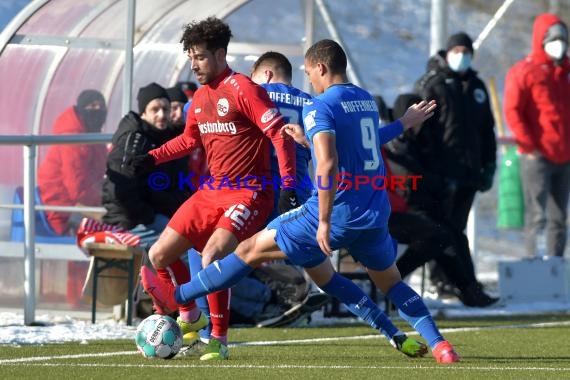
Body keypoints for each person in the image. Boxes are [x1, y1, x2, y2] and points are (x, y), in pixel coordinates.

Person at [166, 39, 460, 363]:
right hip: (374, 212)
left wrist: (322, 220)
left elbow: (328, 163)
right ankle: (437, 346)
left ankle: (180, 299)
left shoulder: (317, 105)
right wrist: (403, 123)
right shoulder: (363, 99)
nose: (309, 81)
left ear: (320, 67)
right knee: (383, 282)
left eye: (309, 73)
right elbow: (365, 143)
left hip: (329, 208)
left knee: (245, 251)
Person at [127, 17, 298, 361]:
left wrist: (288, 185)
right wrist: (152, 158)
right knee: (159, 255)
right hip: (212, 192)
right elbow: (190, 140)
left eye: (200, 57)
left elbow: (279, 134)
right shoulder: (201, 97)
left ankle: (218, 340)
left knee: (212, 256)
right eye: (191, 58)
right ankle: (191, 315)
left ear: (220, 54)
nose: (195, 65)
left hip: (249, 192)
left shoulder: (244, 89)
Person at [385, 93, 498, 307]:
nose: (419, 122)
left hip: (423, 205)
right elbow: (409, 179)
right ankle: (392, 284)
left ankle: (470, 288)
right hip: (404, 208)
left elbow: (425, 176)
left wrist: (438, 183)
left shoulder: (423, 141)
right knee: (441, 237)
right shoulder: (394, 144)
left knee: (455, 235)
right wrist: (435, 182)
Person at [412, 32, 497, 295]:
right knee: (441, 229)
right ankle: (442, 280)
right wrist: (428, 169)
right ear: (447, 52)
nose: (462, 55)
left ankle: (460, 282)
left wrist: (489, 165)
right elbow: (419, 130)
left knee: (456, 229)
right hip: (440, 173)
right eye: (457, 50)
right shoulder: (432, 83)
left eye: (466, 51)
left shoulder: (477, 86)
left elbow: (487, 130)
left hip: (469, 173)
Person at [504, 13, 570, 258]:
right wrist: (528, 145)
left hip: (564, 156)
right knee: (536, 215)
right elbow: (512, 110)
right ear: (541, 40)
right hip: (536, 157)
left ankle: (555, 266)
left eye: (563, 38)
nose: (560, 43)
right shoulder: (525, 71)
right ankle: (531, 264)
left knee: (559, 218)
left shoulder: (566, 72)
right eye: (554, 38)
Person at [250, 51, 313, 220]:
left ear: (267, 75)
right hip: (298, 194)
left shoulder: (252, 93)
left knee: (246, 246)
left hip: (258, 191)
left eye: (252, 77)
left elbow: (189, 108)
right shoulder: (312, 103)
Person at [38, 89, 108, 236]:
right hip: (62, 206)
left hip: (80, 203)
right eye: (92, 106)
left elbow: (98, 176)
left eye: (101, 106)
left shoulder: (93, 137)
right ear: (81, 109)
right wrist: (100, 210)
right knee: (113, 226)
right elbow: (76, 186)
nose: (98, 110)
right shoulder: (72, 139)